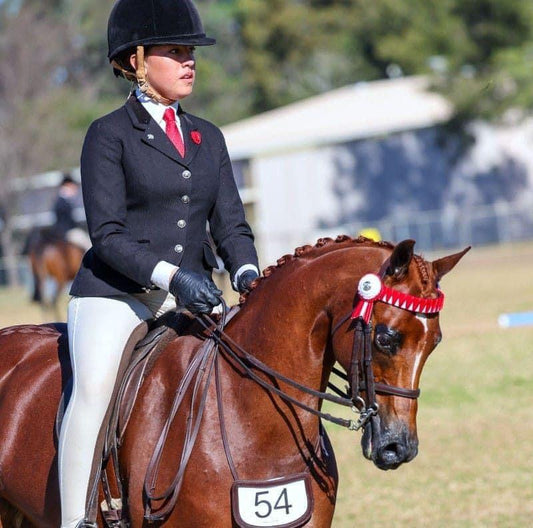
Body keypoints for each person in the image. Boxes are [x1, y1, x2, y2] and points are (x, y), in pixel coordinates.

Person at [57, 0, 259, 526]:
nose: (190, 61)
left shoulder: (207, 137)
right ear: (137, 60)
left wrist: (246, 272)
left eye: (191, 51)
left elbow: (231, 225)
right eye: (175, 52)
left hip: (194, 292)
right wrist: (174, 278)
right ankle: (75, 518)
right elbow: (107, 235)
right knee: (95, 389)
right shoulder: (108, 134)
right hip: (116, 295)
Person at [52, 174, 92, 252]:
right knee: (88, 244)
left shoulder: (62, 200)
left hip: (64, 231)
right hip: (68, 231)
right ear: (68, 185)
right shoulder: (62, 201)